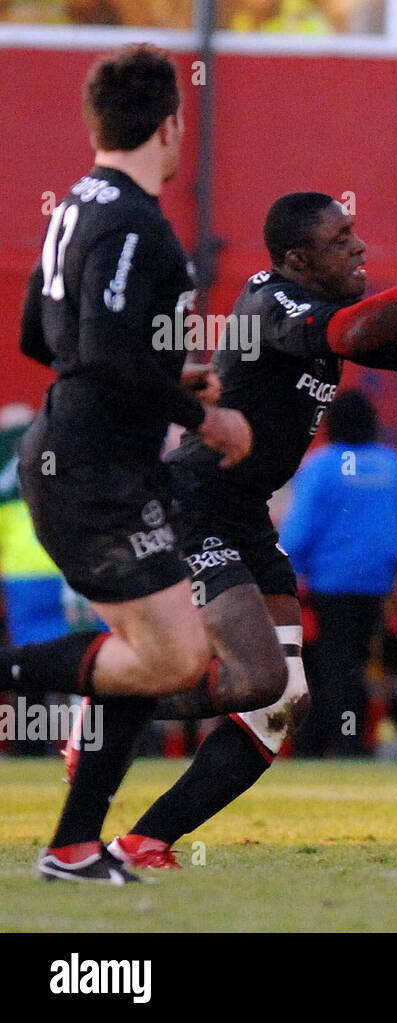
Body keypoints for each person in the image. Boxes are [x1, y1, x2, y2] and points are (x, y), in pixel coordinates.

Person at [100, 192, 397, 868]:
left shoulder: (323, 313)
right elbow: (357, 333)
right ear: (300, 259)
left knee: (281, 705)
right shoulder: (270, 302)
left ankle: (144, 839)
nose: (359, 246)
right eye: (343, 238)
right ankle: (109, 700)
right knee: (258, 678)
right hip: (194, 504)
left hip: (242, 517)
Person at [0, 45, 255, 884]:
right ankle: (71, 834)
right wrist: (202, 413)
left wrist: (162, 377)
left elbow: (44, 336)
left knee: (144, 654)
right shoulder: (134, 220)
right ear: (170, 125)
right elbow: (102, 349)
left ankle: (75, 845)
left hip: (90, 458)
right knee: (173, 658)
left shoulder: (79, 203)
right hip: (92, 469)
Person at [279, 391, 397, 756]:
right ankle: (350, 741)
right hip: (375, 587)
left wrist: (281, 572)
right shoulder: (394, 466)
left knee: (326, 666)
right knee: (356, 666)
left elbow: (298, 530)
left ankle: (317, 744)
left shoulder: (321, 466)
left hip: (327, 588)